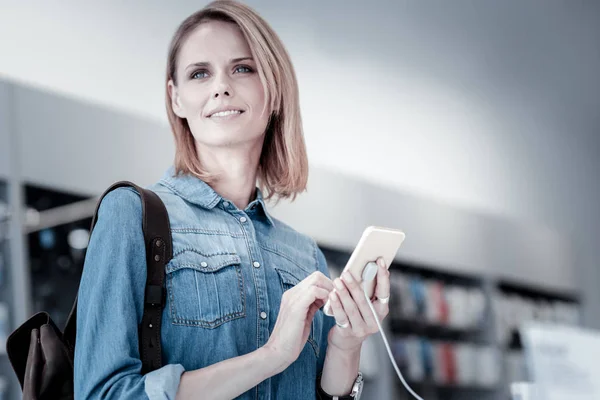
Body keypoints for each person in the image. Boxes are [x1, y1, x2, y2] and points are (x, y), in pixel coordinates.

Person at [74, 1, 391, 399]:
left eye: (242, 68)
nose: (221, 86)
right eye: (199, 73)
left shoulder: (304, 254)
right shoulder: (131, 215)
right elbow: (103, 393)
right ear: (176, 98)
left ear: (274, 90)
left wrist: (347, 343)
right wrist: (271, 355)